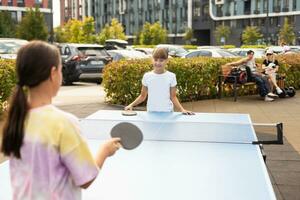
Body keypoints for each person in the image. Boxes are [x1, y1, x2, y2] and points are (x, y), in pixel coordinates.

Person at [1, 41, 121, 199]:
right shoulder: (63, 123)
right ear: (53, 73)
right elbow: (86, 179)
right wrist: (105, 151)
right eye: (61, 69)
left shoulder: (15, 118)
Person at [125, 47, 193, 114]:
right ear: (152, 60)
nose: (158, 63)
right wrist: (131, 105)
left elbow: (173, 97)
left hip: (167, 112)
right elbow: (142, 96)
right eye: (155, 60)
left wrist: (182, 109)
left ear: (166, 60)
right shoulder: (147, 76)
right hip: (151, 112)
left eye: (161, 60)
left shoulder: (171, 76)